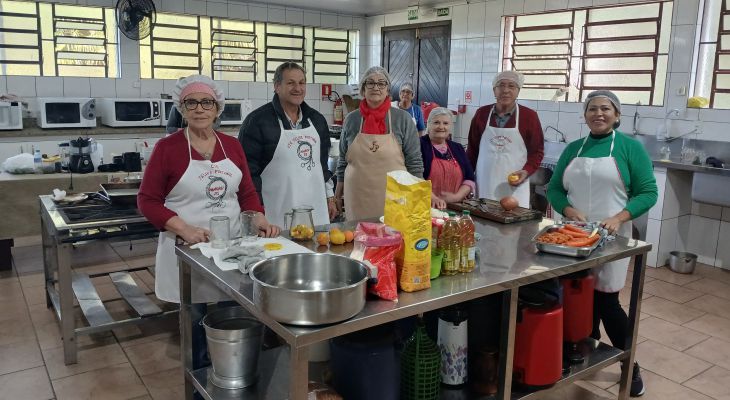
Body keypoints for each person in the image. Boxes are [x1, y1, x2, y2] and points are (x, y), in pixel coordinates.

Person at [138, 74, 280, 370]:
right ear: (181, 108)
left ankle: (234, 367)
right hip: (188, 247)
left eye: (207, 102)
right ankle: (199, 374)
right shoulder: (167, 148)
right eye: (191, 103)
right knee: (194, 313)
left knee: (234, 308)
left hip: (230, 245)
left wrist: (258, 216)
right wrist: (184, 229)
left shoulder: (232, 145)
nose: (199, 109)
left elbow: (247, 192)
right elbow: (147, 201)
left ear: (217, 109)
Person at [546, 90, 657, 397]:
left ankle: (630, 365)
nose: (598, 113)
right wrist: (568, 210)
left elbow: (648, 192)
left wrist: (620, 217)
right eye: (592, 109)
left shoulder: (630, 148)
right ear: (585, 116)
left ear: (616, 115)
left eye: (605, 108)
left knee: (607, 301)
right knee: (578, 295)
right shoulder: (573, 149)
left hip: (612, 239)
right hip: (574, 236)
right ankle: (587, 348)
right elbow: (554, 189)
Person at [238, 62, 336, 227]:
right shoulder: (257, 122)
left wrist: (329, 196)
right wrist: (256, 210)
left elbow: (322, 165)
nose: (297, 88)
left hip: (315, 209)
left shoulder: (317, 120)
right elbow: (248, 174)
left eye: (302, 83)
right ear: (277, 86)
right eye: (291, 83)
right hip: (276, 212)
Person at [335, 66, 424, 220]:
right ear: (363, 88)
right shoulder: (352, 120)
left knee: (393, 233)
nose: (376, 87)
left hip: (395, 197)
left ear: (387, 89)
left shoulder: (403, 119)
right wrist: (337, 194)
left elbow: (414, 162)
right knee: (358, 234)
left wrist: (418, 198)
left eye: (381, 83)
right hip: (357, 196)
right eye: (370, 83)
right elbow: (343, 160)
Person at [466, 70, 544, 208]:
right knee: (482, 217)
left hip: (515, 188)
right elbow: (472, 151)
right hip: (484, 184)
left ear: (518, 91)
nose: (506, 90)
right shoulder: (481, 114)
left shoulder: (529, 116)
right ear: (494, 90)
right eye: (501, 85)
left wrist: (526, 171)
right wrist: (466, 179)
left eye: (511, 86)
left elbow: (537, 152)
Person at [420, 107, 475, 209]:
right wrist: (433, 198)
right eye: (436, 122)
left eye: (445, 123)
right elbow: (414, 176)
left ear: (450, 126)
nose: (441, 127)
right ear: (428, 124)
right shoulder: (419, 145)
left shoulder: (457, 148)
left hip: (454, 207)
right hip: (423, 206)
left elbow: (469, 178)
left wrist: (456, 197)